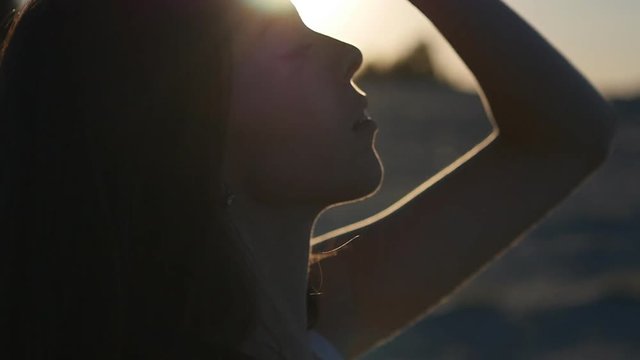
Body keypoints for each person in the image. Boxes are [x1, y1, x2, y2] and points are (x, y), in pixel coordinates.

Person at [0, 0, 615, 359]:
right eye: (289, 49)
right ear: (183, 131)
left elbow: (566, 137)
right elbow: (562, 139)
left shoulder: (301, 321)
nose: (349, 52)